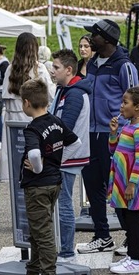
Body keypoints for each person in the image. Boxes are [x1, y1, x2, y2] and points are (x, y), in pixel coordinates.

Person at [78, 19, 138, 254]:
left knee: (119, 188)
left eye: (95, 35)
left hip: (114, 136)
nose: (90, 38)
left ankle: (132, 238)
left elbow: (136, 99)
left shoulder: (124, 66)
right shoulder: (92, 63)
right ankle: (102, 235)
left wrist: (126, 131)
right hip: (90, 133)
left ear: (106, 39)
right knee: (93, 187)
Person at [20, 79, 81, 275]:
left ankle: (47, 273)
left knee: (43, 233)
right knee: (38, 230)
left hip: (37, 185)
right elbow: (75, 142)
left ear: (27, 103)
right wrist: (57, 161)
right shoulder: (55, 121)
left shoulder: (32, 128)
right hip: (54, 182)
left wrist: (38, 169)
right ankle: (33, 270)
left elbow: (35, 155)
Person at [107, 86, 139, 274]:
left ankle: (135, 261)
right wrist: (113, 133)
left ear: (137, 107)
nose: (121, 106)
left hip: (131, 182)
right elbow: (114, 151)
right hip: (121, 179)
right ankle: (131, 254)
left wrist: (131, 184)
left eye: (125, 102)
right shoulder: (127, 125)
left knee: (132, 220)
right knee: (123, 215)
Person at [49, 49, 91, 263]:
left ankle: (66, 251)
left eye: (56, 67)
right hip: (63, 155)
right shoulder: (64, 89)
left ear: (68, 69)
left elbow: (64, 128)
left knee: (64, 203)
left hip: (67, 156)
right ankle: (63, 248)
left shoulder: (74, 93)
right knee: (60, 202)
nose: (52, 71)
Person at [0, 33, 55, 182]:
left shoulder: (10, 69)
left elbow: (5, 96)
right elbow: (51, 94)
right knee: (34, 160)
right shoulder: (39, 68)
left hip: (12, 120)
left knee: (16, 161)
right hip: (34, 118)